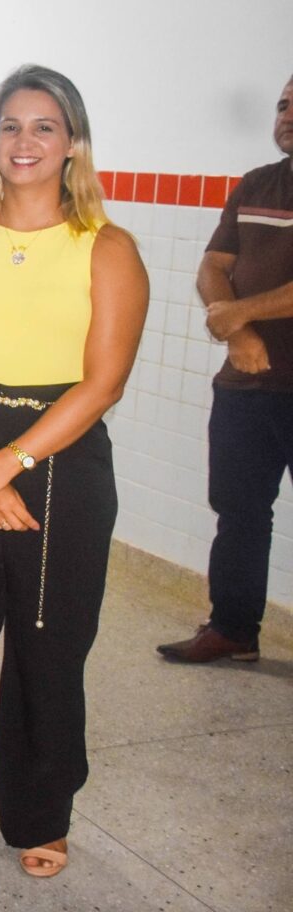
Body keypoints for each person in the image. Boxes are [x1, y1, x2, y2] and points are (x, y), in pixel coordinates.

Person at [0, 66, 148, 878]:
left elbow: (102, 381)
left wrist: (11, 462)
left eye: (44, 127)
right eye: (10, 125)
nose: (24, 142)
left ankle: (40, 813)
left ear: (72, 142)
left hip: (61, 461)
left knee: (49, 647)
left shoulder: (107, 249)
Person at [158, 75, 293, 664]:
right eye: (284, 104)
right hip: (247, 384)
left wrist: (239, 313)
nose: (287, 114)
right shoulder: (256, 184)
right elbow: (214, 264)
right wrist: (237, 330)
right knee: (238, 511)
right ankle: (233, 629)